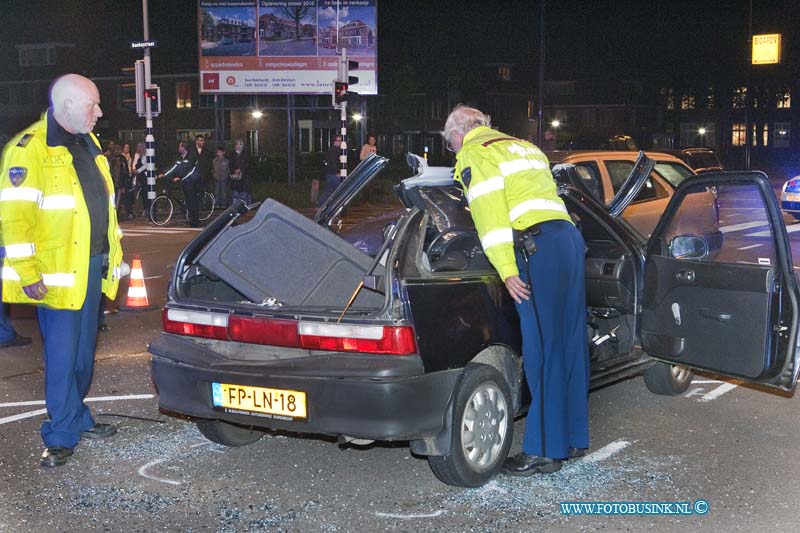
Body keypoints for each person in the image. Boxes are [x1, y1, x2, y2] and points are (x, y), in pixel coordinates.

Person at [442, 105, 589, 477]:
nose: (455, 154)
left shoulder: (477, 152)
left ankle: (543, 450)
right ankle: (571, 438)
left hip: (535, 248)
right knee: (569, 342)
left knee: (541, 347)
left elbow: (491, 217)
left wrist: (507, 271)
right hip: (567, 241)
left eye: (451, 146)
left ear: (458, 135)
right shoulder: (524, 146)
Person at [0, 73, 124, 468]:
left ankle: (77, 416)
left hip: (92, 266)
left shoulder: (88, 142)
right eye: (93, 105)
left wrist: (111, 259)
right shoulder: (29, 149)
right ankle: (59, 434)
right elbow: (14, 220)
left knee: (84, 355)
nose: (100, 112)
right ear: (67, 105)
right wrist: (27, 271)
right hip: (55, 273)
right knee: (62, 357)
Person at [184, 135, 212, 227]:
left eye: (203, 140)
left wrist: (205, 176)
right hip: (192, 179)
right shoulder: (191, 151)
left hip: (201, 180)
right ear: (196, 141)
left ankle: (195, 219)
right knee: (191, 201)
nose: (202, 142)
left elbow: (208, 166)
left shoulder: (206, 152)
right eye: (200, 140)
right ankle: (193, 220)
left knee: (197, 200)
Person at [318, 134, 342, 206]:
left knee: (328, 191)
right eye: (339, 141)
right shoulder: (334, 150)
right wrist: (337, 172)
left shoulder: (333, 150)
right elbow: (333, 162)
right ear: (334, 142)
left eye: (341, 141)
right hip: (334, 174)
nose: (340, 142)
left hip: (330, 173)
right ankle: (338, 206)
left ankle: (320, 205)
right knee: (340, 190)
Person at [228, 139, 251, 205]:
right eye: (237, 144)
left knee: (243, 196)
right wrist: (234, 171)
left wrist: (241, 170)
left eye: (240, 144)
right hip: (235, 178)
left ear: (243, 146)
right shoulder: (231, 154)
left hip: (244, 178)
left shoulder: (246, 154)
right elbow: (230, 164)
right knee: (235, 195)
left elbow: (248, 164)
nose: (238, 146)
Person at [131, 141, 148, 217]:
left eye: (140, 146)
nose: (139, 148)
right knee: (138, 193)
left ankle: (146, 209)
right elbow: (134, 163)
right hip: (138, 176)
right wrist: (134, 169)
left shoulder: (146, 155)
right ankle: (138, 209)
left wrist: (138, 171)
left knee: (145, 193)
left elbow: (146, 165)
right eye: (138, 146)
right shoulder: (137, 155)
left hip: (144, 176)